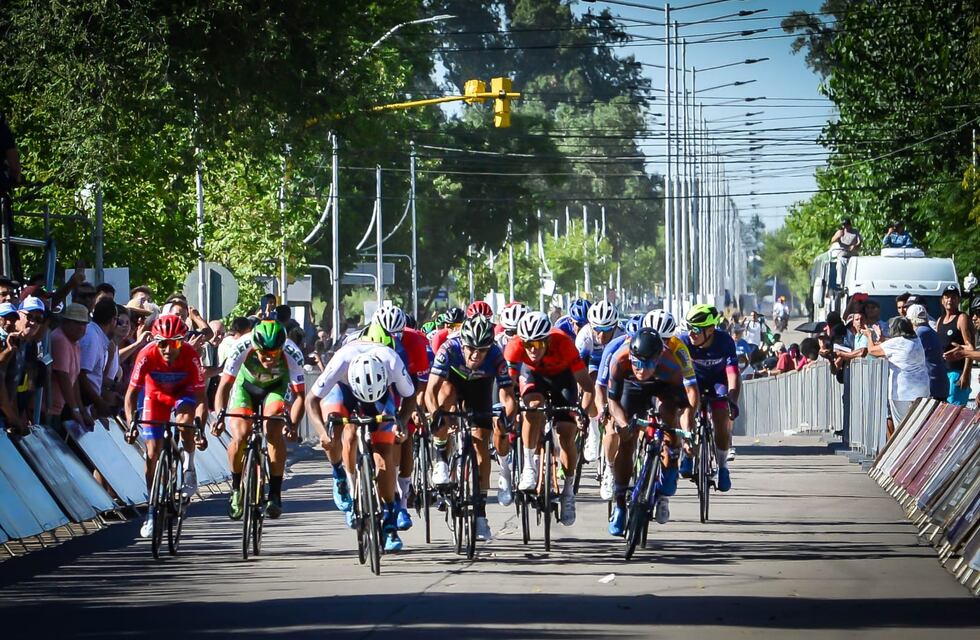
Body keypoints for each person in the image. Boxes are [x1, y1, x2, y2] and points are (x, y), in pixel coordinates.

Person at [305, 335, 416, 552]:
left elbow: (409, 396)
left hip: (380, 396)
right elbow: (311, 400)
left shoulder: (392, 362)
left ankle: (389, 513)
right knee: (338, 428)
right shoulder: (341, 361)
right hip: (345, 391)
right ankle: (339, 474)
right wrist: (322, 433)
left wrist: (401, 423)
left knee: (384, 452)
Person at [425, 315, 517, 541]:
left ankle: (480, 515)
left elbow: (507, 395)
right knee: (444, 397)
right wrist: (437, 414)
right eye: (471, 349)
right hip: (453, 383)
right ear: (462, 344)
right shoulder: (449, 349)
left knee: (481, 447)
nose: (476, 355)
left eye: (482, 350)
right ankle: (442, 459)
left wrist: (507, 418)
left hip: (481, 387)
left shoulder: (496, 355)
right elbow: (430, 391)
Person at [504, 311, 595, 526]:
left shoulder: (564, 343)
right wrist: (512, 408)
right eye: (528, 345)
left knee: (566, 432)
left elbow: (587, 386)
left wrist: (581, 411)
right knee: (533, 408)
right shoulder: (515, 346)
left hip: (563, 379)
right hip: (533, 376)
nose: (532, 350)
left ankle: (569, 491)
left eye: (537, 344)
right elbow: (507, 385)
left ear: (547, 340)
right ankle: (529, 466)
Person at [125, 315, 208, 538]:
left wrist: (199, 425)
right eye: (163, 343)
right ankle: (151, 512)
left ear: (183, 342)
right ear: (155, 341)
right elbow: (131, 395)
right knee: (152, 453)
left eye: (175, 343)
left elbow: (201, 398)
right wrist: (131, 423)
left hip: (184, 395)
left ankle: (189, 468)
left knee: (184, 424)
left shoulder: (191, 355)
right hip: (156, 397)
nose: (169, 349)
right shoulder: (146, 354)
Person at [213, 320, 306, 520]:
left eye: (274, 354)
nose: (269, 359)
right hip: (245, 387)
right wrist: (220, 416)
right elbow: (224, 386)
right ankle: (236, 488)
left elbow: (300, 397)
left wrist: (293, 426)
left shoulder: (292, 353)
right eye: (264, 354)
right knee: (241, 435)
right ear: (255, 347)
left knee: (273, 430)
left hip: (275, 388)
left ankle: (275, 492)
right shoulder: (242, 347)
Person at [605, 327, 692, 533]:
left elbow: (683, 405)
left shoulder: (671, 365)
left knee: (668, 415)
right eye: (637, 363)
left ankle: (670, 460)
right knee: (627, 439)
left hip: (663, 385)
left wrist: (684, 436)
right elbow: (612, 401)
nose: (642, 369)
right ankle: (619, 505)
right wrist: (624, 425)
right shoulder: (620, 360)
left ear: (658, 358)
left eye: (648, 364)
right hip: (631, 387)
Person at [679, 304, 740, 492]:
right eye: (688, 327)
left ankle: (723, 468)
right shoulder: (683, 342)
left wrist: (732, 400)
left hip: (717, 381)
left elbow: (733, 374)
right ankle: (688, 450)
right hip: (693, 381)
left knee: (721, 418)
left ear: (710, 329)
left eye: (696, 329)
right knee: (688, 405)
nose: (691, 333)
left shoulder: (724, 342)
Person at [575, 300, 621, 463]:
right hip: (593, 363)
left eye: (607, 330)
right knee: (591, 384)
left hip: (613, 365)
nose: (601, 335)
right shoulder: (585, 335)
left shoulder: (621, 335)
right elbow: (579, 368)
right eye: (598, 330)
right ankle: (594, 431)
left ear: (615, 326)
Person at [866, 317, 929, 430]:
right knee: (919, 425)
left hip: (902, 391)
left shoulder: (896, 343)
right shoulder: (916, 340)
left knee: (902, 426)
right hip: (921, 389)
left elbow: (872, 350)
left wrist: (869, 335)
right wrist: (882, 338)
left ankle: (906, 447)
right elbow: (894, 344)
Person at [78, 298, 118, 418]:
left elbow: (95, 375)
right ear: (112, 321)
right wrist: (99, 402)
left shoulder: (96, 335)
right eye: (117, 320)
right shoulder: (92, 337)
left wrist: (116, 387)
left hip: (87, 406)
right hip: (78, 407)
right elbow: (81, 375)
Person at [937, 285, 974, 405]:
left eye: (953, 297)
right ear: (942, 300)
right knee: (942, 411)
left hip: (957, 372)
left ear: (958, 300)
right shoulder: (939, 320)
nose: (950, 300)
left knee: (954, 410)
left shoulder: (962, 318)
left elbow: (970, 348)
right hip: (943, 373)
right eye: (947, 297)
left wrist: (965, 374)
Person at [905, 304, 948, 401]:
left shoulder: (921, 332)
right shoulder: (929, 330)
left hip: (932, 385)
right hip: (938, 382)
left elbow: (907, 350)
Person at [829, 218, 862, 287]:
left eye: (846, 225)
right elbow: (832, 240)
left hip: (852, 254)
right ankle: (841, 283)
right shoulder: (840, 232)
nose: (845, 227)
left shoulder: (855, 232)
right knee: (840, 264)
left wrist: (855, 245)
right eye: (844, 225)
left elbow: (859, 242)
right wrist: (838, 236)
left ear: (850, 225)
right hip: (842, 253)